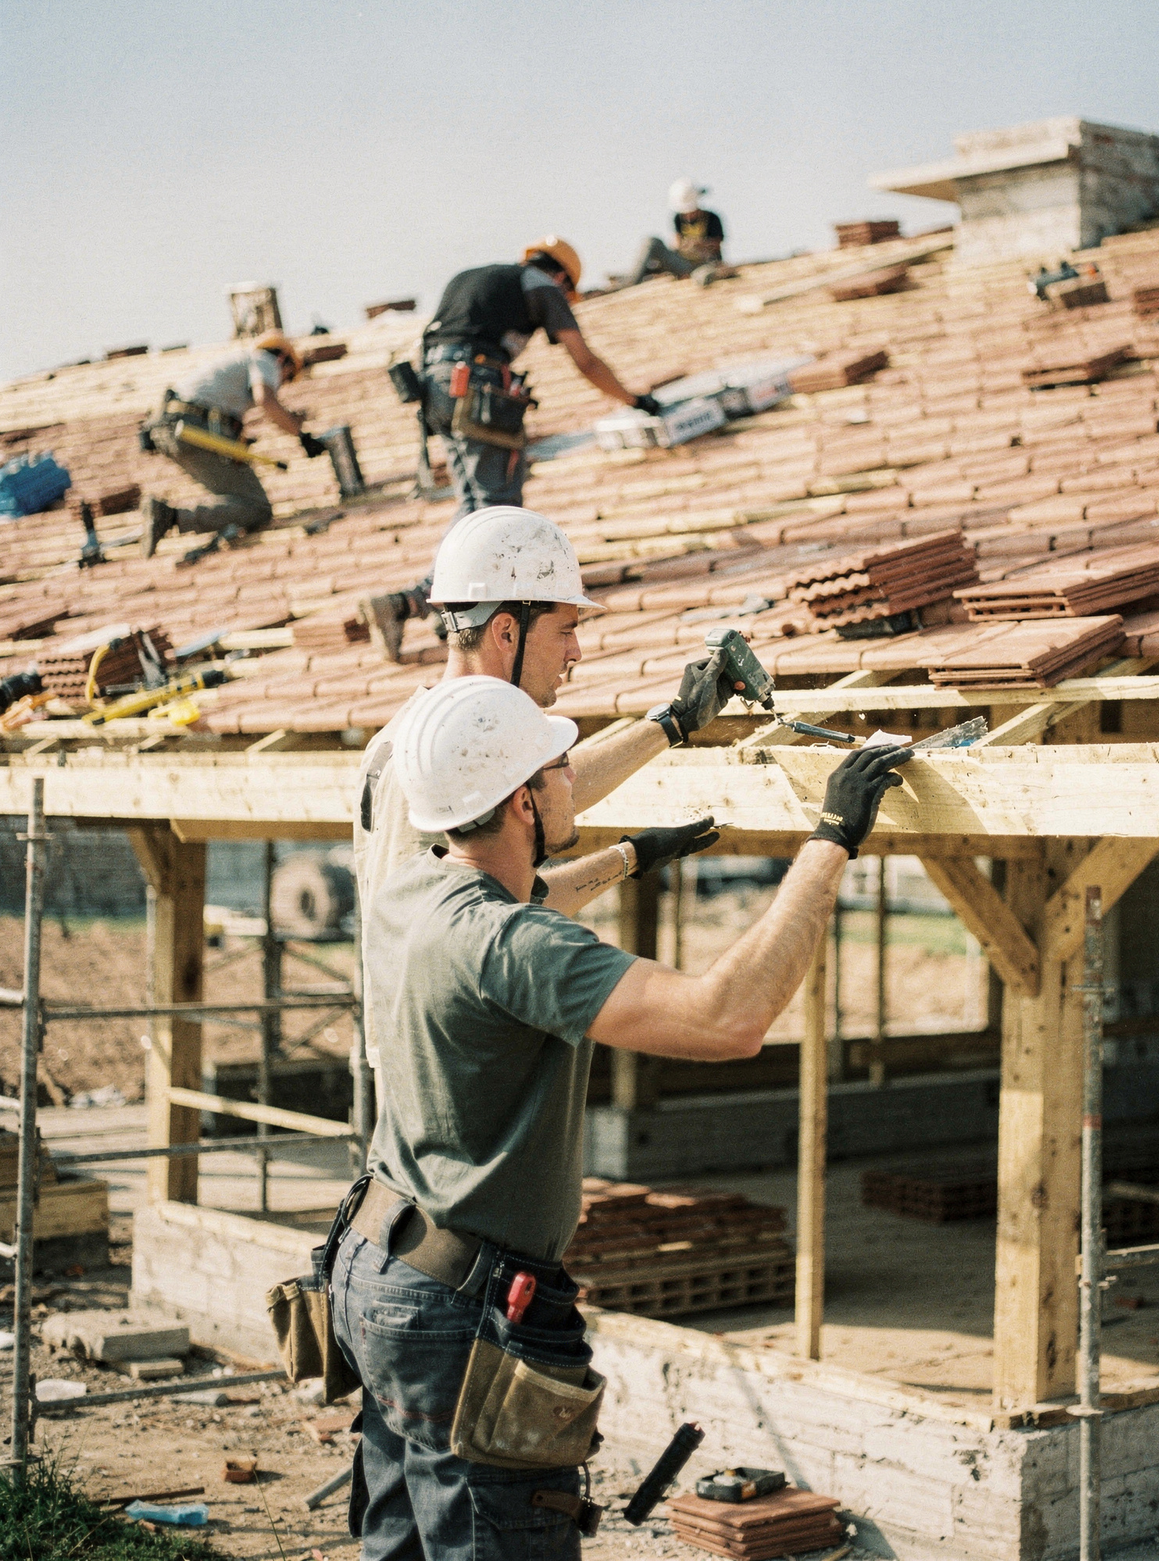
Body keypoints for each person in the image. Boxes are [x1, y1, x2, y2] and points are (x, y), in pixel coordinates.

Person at [329, 671, 910, 1557]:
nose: (572, 776)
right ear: (523, 800)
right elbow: (727, 1018)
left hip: (378, 1275)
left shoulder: (411, 890)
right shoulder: (516, 946)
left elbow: (521, 898)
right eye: (557, 768)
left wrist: (632, 856)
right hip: (466, 1314)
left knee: (401, 1545)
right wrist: (831, 839)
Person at [351, 505, 741, 1090]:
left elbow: (547, 788)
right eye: (565, 629)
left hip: (448, 1065)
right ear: (506, 630)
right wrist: (628, 857)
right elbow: (468, 929)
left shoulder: (442, 741)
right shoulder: (427, 764)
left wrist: (672, 724)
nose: (576, 652)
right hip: (443, 1085)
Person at [358, 238, 666, 659]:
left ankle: (450, 603)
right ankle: (409, 603)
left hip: (436, 391)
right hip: (477, 389)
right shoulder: (542, 285)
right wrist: (633, 400)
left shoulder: (476, 279)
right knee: (496, 509)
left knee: (473, 504)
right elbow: (585, 360)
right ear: (562, 275)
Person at [138, 331, 322, 557]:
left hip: (172, 431)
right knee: (256, 506)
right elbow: (265, 399)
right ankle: (170, 516)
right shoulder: (265, 360)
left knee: (241, 503)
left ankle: (171, 516)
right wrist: (300, 434)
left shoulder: (237, 366)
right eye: (287, 376)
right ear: (283, 358)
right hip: (192, 429)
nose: (282, 383)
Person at [625, 178, 728, 287]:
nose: (687, 215)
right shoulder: (678, 218)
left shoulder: (712, 218)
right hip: (682, 263)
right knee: (651, 242)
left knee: (704, 276)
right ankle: (631, 281)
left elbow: (717, 245)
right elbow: (676, 245)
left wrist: (699, 244)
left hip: (702, 265)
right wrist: (683, 247)